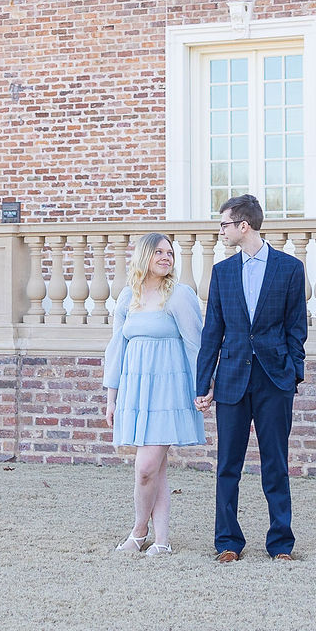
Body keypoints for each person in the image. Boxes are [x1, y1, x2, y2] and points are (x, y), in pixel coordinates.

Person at [194, 193, 307, 562]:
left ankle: (281, 544)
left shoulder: (290, 268)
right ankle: (227, 542)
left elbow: (296, 329)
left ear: (244, 226)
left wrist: (294, 376)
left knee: (276, 463)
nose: (220, 230)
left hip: (275, 380)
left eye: (224, 224)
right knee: (228, 465)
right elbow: (213, 331)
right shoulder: (223, 272)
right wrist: (203, 383)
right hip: (231, 380)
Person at [101, 231, 205, 557]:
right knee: (155, 469)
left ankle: (138, 531)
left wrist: (203, 388)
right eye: (158, 252)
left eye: (169, 253)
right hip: (135, 389)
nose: (165, 257)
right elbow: (116, 349)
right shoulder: (126, 297)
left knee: (145, 466)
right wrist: (111, 397)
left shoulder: (179, 295)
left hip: (169, 392)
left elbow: (195, 344)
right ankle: (161, 541)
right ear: (144, 257)